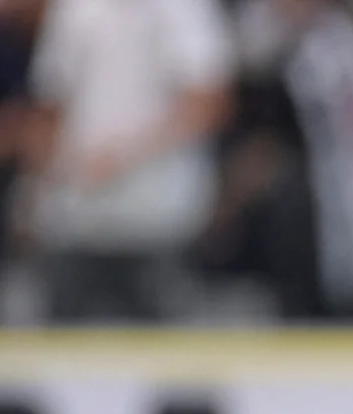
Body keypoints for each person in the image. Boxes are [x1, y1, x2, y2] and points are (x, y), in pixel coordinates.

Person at [23, 0, 232, 322]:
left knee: (160, 355)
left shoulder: (184, 9)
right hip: (76, 217)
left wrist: (124, 156)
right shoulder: (73, 9)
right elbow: (51, 104)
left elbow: (208, 103)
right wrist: (36, 190)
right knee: (63, 351)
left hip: (158, 218)